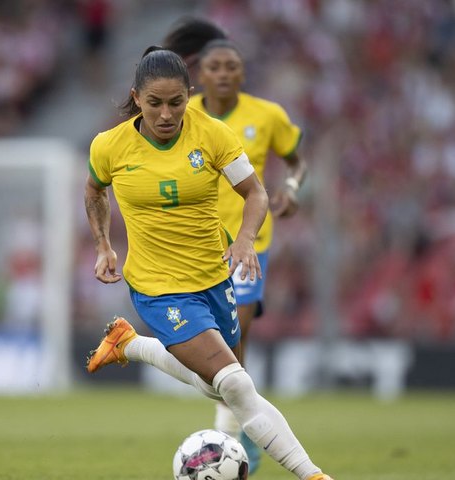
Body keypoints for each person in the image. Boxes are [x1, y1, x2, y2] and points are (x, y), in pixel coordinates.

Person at [84, 45, 332, 480]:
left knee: (224, 386)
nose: (166, 114)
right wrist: (104, 244)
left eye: (176, 102)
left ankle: (130, 344)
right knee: (236, 383)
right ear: (136, 98)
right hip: (157, 287)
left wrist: (246, 241)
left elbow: (254, 193)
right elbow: (94, 191)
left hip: (215, 278)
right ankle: (312, 474)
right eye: (155, 103)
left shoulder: (212, 134)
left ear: (189, 95)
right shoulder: (110, 146)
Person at [163, 19, 309, 474]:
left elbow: (296, 159)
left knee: (235, 335)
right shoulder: (182, 117)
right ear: (200, 75)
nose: (224, 74)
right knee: (212, 345)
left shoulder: (266, 115)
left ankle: (232, 432)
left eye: (232, 66)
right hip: (195, 244)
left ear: (242, 74)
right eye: (215, 67)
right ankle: (241, 419)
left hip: (249, 244)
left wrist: (292, 187)